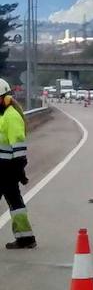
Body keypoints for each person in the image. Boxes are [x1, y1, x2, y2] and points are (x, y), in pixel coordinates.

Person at [1, 79, 35, 249]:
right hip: (4, 167)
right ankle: (26, 237)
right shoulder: (3, 115)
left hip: (7, 168)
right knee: (15, 202)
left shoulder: (11, 116)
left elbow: (19, 147)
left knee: (15, 202)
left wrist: (18, 171)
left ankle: (26, 238)